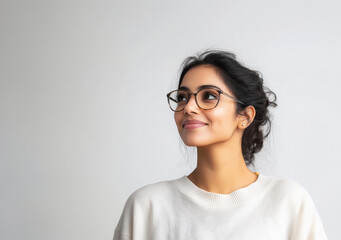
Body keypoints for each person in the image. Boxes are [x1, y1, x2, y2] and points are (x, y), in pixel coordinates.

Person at [112, 50, 328, 240]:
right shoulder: (146, 207)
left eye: (208, 96)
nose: (188, 107)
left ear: (244, 116)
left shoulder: (288, 201)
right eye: (182, 97)